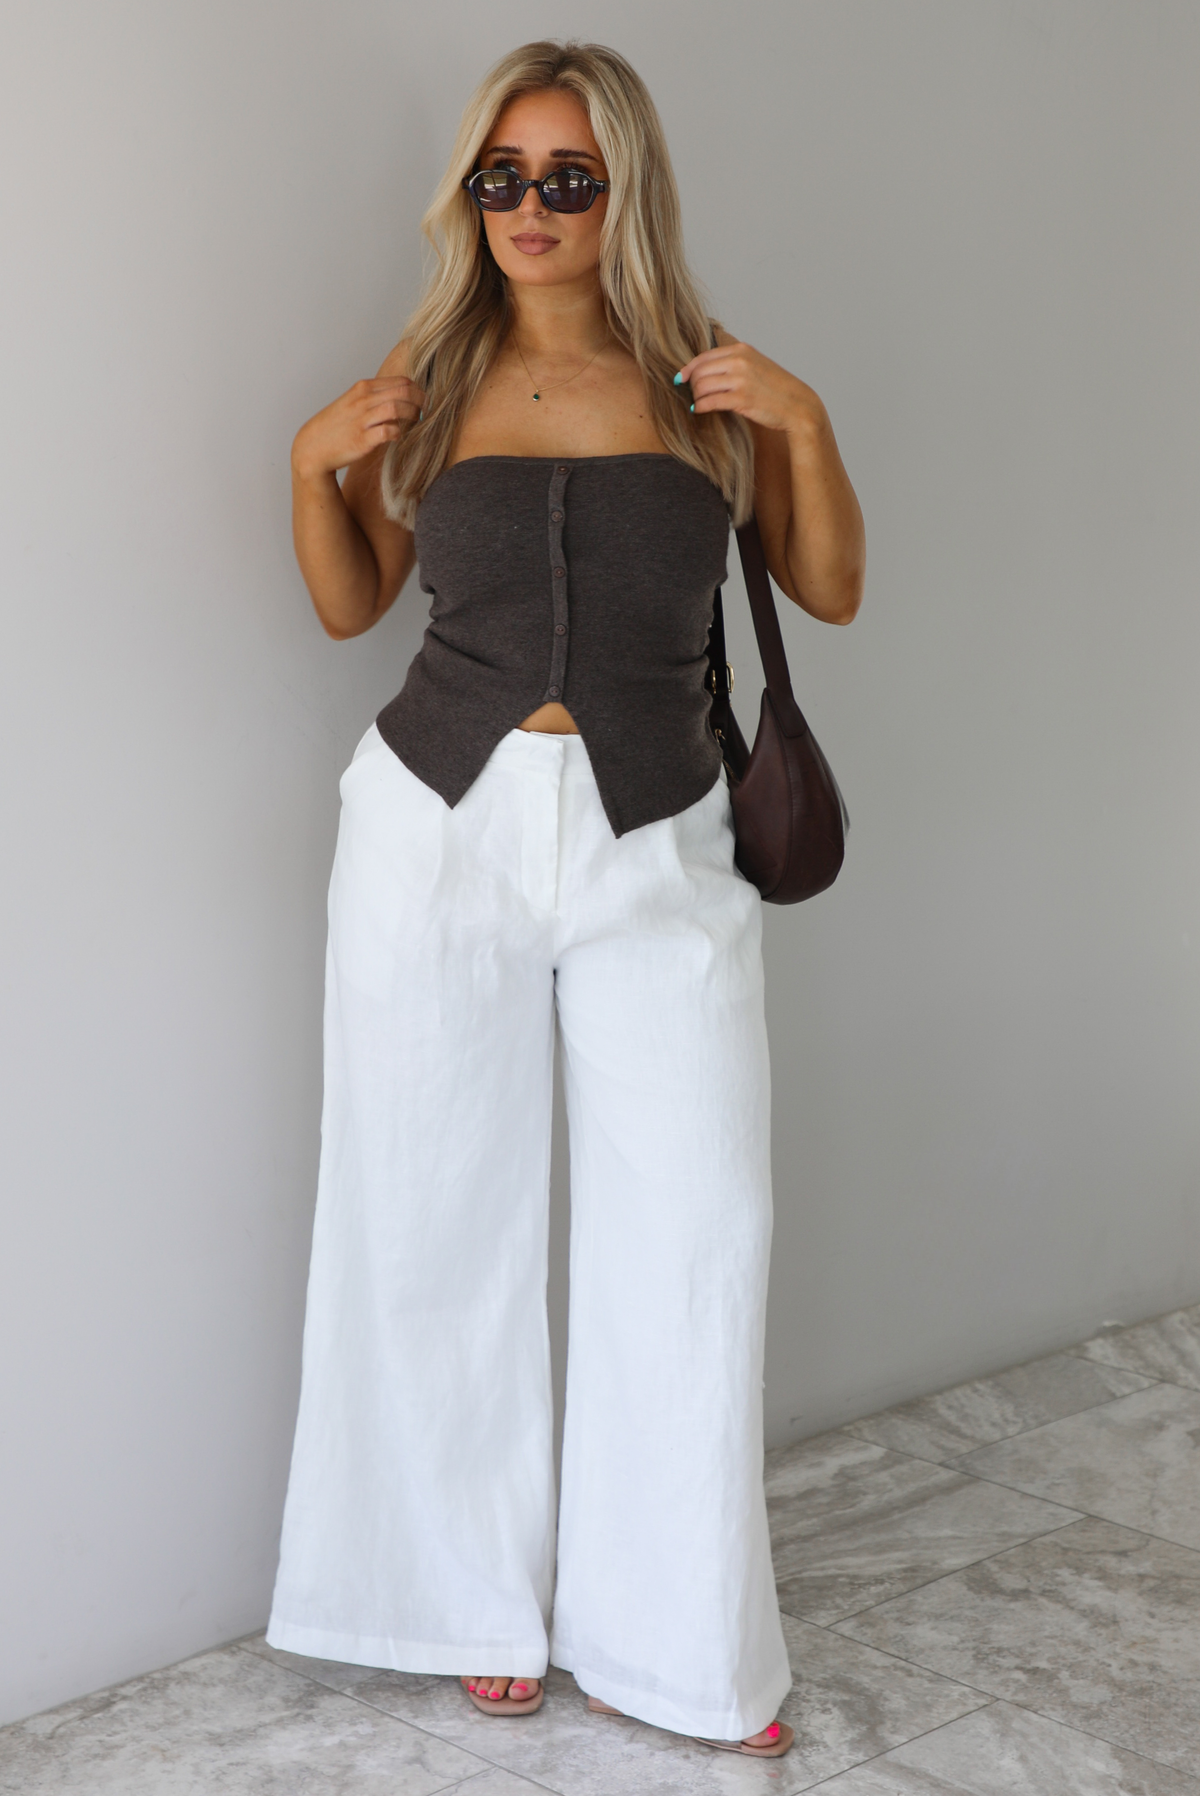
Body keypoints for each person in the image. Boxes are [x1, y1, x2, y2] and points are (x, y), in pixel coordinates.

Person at [265, 38, 864, 1761]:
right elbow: (352, 603)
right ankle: (464, 1598)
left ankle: (676, 1642)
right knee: (427, 1212)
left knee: (694, 1232)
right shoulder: (430, 373)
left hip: (658, 836)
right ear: (473, 197)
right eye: (502, 178)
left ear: (625, 194)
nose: (529, 208)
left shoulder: (703, 384)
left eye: (568, 178)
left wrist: (806, 420)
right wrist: (307, 465)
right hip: (431, 827)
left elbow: (825, 589)